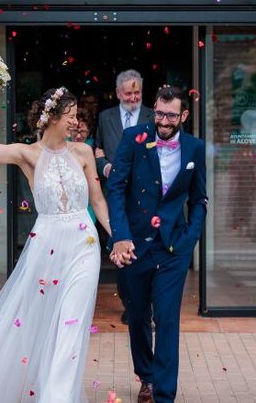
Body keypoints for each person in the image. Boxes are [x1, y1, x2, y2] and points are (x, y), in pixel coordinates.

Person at [0, 86, 113, 402]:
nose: (75, 122)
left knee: (72, 323)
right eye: (70, 116)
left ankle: (56, 398)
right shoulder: (27, 154)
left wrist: (119, 236)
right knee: (40, 325)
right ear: (52, 118)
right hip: (46, 243)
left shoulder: (83, 152)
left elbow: (97, 201)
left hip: (84, 242)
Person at [107, 86, 208, 403]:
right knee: (137, 316)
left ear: (184, 115)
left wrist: (190, 237)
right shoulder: (133, 138)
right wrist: (121, 236)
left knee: (166, 318)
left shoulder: (195, 148)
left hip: (173, 248)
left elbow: (199, 198)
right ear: (154, 110)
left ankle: (164, 394)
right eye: (160, 114)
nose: (164, 121)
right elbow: (116, 187)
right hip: (134, 245)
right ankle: (146, 376)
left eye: (171, 115)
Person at [94, 69, 153, 324]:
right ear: (118, 93)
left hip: (146, 197)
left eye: (137, 92)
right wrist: (106, 167)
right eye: (128, 93)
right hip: (115, 196)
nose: (133, 97)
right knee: (121, 251)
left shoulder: (154, 116)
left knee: (147, 252)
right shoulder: (105, 117)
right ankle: (130, 305)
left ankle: (146, 308)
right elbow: (96, 150)